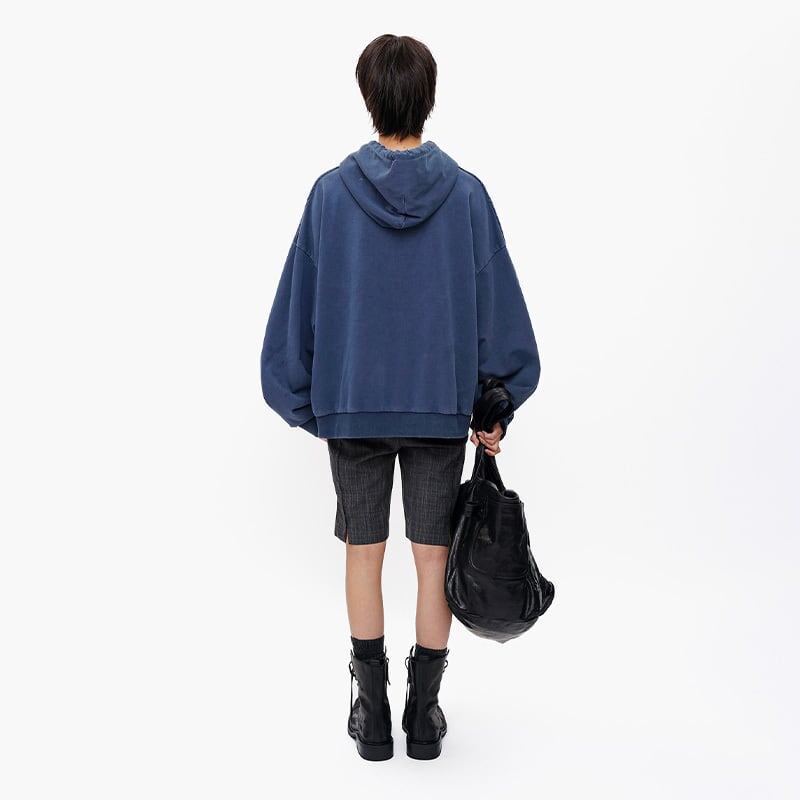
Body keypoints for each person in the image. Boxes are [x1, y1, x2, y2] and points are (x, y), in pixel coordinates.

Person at [260, 34, 540, 761]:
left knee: (364, 552)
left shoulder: (330, 194)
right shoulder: (467, 194)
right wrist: (497, 400)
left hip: (353, 405)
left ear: (368, 97)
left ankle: (372, 714)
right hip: (437, 408)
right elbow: (497, 306)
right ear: (428, 98)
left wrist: (309, 401)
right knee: (431, 557)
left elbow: (298, 308)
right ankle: (423, 715)